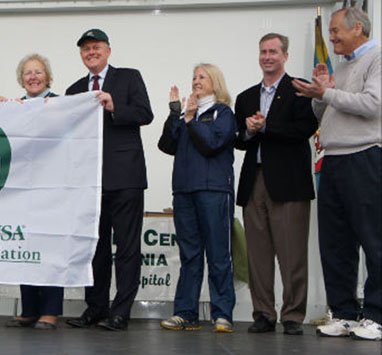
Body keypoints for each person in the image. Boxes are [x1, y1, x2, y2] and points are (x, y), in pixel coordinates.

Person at [292, 7, 381, 341]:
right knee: (335, 243)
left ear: (358, 28)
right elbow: (325, 113)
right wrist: (321, 93)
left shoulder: (377, 58)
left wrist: (326, 93)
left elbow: (373, 104)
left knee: (374, 240)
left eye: (335, 30)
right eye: (328, 31)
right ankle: (344, 312)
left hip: (365, 156)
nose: (330, 37)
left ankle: (376, 315)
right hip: (333, 159)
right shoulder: (341, 68)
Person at [64, 29, 153, 331]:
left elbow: (145, 114)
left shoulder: (129, 77)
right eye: (86, 49)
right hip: (89, 181)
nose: (91, 52)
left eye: (96, 47)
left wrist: (116, 107)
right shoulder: (74, 89)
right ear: (81, 55)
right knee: (95, 249)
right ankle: (95, 308)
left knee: (127, 249)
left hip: (126, 177)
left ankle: (121, 311)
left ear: (108, 50)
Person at [234, 33, 318, 336]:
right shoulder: (245, 98)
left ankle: (293, 316)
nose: (267, 56)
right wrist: (248, 129)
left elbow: (304, 129)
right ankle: (264, 314)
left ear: (285, 55)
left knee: (292, 253)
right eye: (263, 52)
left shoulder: (300, 91)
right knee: (257, 255)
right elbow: (237, 140)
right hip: (253, 182)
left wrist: (267, 126)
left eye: (273, 51)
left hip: (289, 183)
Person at [158, 63, 237, 333]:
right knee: (190, 255)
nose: (196, 81)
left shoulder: (223, 113)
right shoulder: (186, 115)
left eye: (202, 77)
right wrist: (175, 114)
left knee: (218, 254)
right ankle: (185, 312)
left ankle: (222, 313)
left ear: (215, 82)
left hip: (214, 190)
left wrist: (191, 120)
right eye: (193, 77)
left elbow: (212, 144)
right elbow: (166, 145)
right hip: (184, 191)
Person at [2, 53, 63, 330]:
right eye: (28, 72)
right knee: (25, 247)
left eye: (38, 72)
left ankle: (50, 311)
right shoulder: (16, 107)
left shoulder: (63, 104)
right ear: (21, 79)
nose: (33, 76)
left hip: (53, 188)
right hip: (22, 189)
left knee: (50, 248)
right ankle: (29, 309)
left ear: (48, 77)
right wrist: (0, 109)